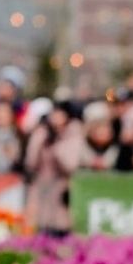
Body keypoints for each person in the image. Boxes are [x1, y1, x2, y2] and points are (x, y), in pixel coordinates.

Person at [22, 101, 83, 238]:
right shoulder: (43, 133)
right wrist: (39, 138)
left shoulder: (73, 134)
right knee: (40, 232)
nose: (54, 117)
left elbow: (70, 165)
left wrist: (56, 145)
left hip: (62, 192)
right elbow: (30, 162)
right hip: (41, 191)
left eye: (58, 113)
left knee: (61, 231)